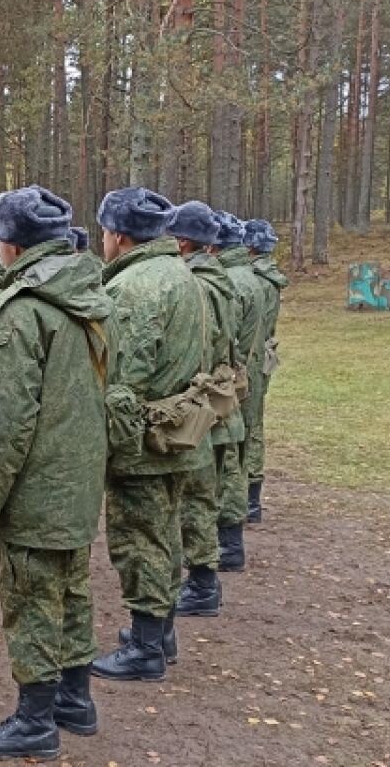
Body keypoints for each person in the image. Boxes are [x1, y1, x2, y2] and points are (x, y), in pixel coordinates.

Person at [0, 186, 113, 759]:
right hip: (77, 477)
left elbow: (2, 422)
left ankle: (34, 720)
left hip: (36, 486)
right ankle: (75, 700)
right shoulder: (91, 299)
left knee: (30, 599)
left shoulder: (21, 313)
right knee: (72, 590)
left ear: (7, 243)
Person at [91, 186, 209, 683]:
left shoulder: (135, 287)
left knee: (140, 538)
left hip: (143, 438)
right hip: (177, 427)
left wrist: (110, 449)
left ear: (117, 235)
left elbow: (124, 378)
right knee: (163, 532)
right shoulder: (179, 274)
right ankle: (158, 632)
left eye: (103, 230)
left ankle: (146, 647)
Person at [167, 201, 246, 619]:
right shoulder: (222, 279)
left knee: (196, 496)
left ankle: (201, 584)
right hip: (219, 397)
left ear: (182, 241)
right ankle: (203, 579)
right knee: (207, 491)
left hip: (202, 402)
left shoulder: (195, 283)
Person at [209, 211, 266, 570]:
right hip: (247, 375)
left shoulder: (229, 282)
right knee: (237, 456)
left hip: (230, 380)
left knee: (227, 461)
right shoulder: (248, 276)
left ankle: (228, 544)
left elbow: (223, 339)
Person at [244, 219, 288, 522]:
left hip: (251, 358)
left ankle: (248, 499)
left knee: (247, 429)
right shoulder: (269, 277)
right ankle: (251, 500)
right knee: (254, 426)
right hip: (263, 356)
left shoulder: (255, 279)